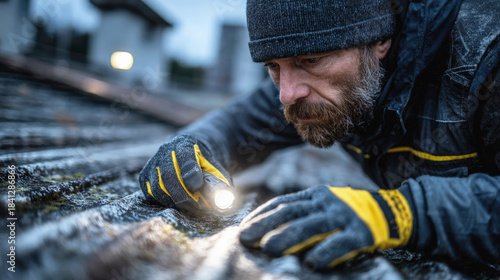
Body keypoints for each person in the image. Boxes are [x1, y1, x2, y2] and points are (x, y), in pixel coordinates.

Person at [139, 0, 500, 270]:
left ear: (380, 42)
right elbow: (238, 124)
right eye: (273, 66)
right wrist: (192, 148)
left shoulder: (486, 58)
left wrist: (402, 213)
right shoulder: (316, 85)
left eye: (310, 60)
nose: (287, 93)